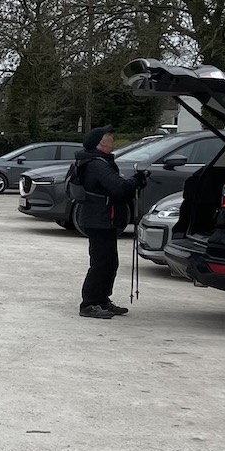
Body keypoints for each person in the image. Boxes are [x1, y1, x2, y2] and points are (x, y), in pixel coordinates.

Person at [72, 124, 148, 319]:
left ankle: (102, 299)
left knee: (110, 261)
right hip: (98, 218)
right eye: (111, 139)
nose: (114, 142)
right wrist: (136, 181)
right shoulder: (97, 164)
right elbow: (118, 188)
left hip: (103, 217)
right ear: (101, 143)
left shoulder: (98, 161)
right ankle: (89, 303)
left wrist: (133, 182)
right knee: (101, 262)